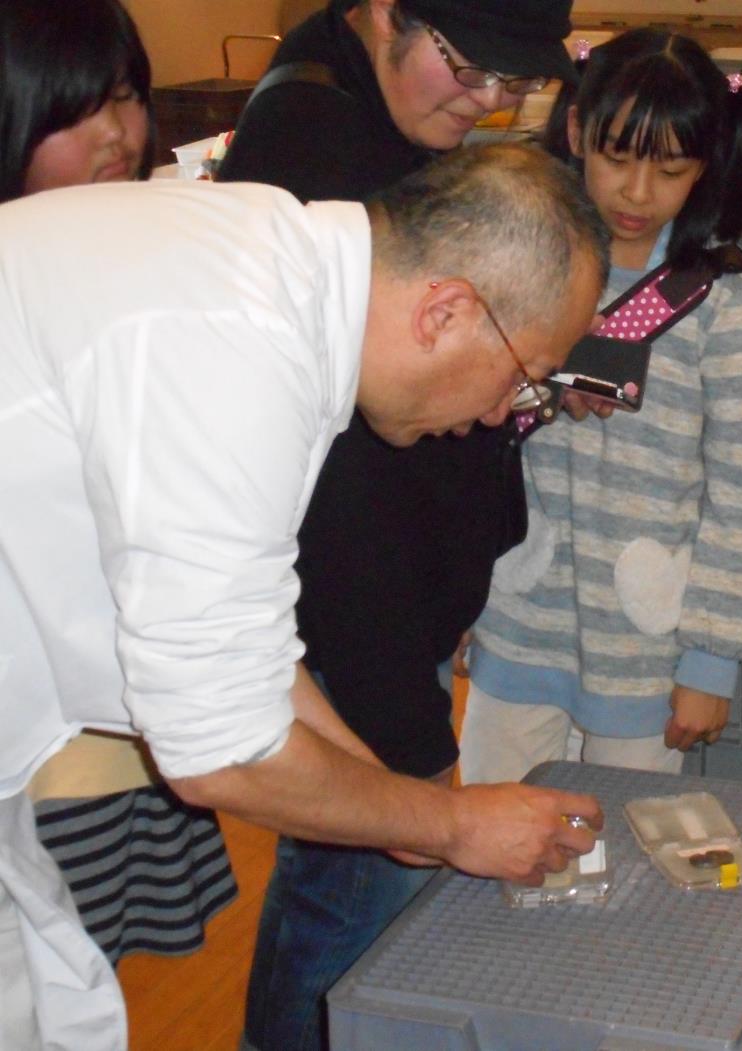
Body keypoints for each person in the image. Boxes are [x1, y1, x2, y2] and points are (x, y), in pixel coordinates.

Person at [0, 142, 608, 1051]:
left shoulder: (270, 272)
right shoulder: (230, 344)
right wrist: (445, 824)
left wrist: (394, 805)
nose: (500, 415)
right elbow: (217, 748)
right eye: (523, 376)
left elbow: (246, 653)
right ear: (446, 310)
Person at [216, 3, 579, 1048]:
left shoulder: (374, 121)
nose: (487, 101)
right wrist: (417, 768)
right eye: (466, 67)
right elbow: (335, 532)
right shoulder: (304, 167)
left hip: (375, 628)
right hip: (356, 631)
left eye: (514, 83)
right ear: (381, 10)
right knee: (349, 903)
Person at [459, 28, 742, 783]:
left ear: (704, 166)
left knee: (626, 849)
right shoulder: (517, 259)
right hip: (517, 615)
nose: (638, 192)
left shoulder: (725, 302)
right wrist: (459, 601)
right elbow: (460, 443)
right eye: (616, 158)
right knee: (491, 830)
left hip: (646, 639)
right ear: (575, 131)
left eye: (670, 169)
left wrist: (710, 661)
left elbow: (739, 493)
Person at [1, 0, 240, 966]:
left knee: (90, 978)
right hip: (40, 751)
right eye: (75, 110)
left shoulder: (137, 258)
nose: (116, 135)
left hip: (128, 728)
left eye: (128, 98)